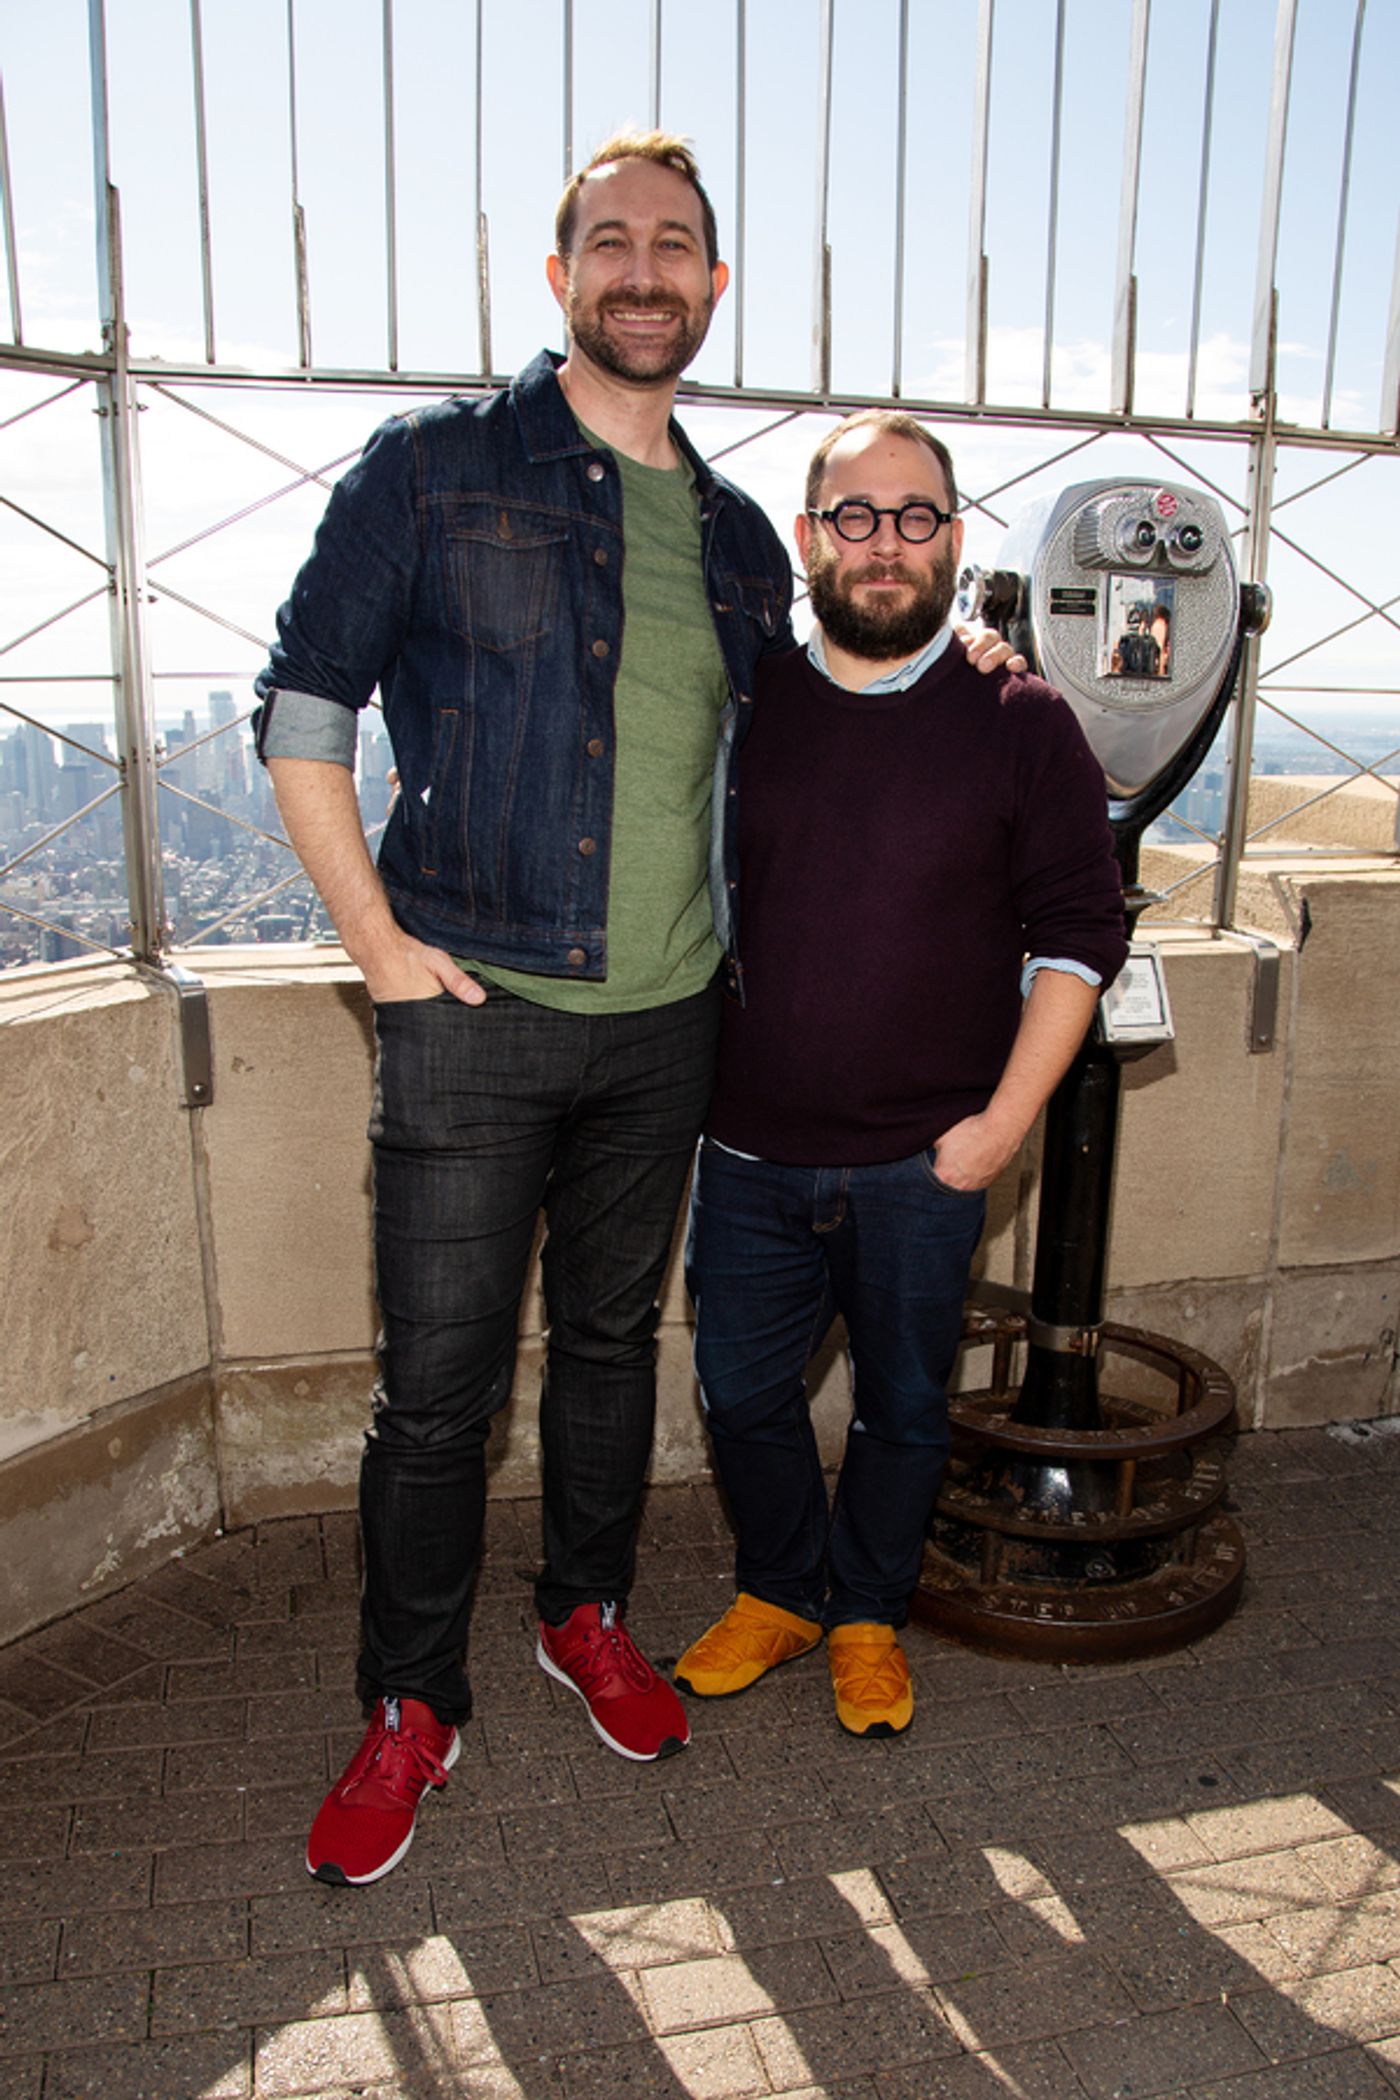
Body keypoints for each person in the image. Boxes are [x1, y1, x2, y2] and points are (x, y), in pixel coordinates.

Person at [256, 136, 1016, 1887]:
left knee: (610, 1351)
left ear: (714, 288)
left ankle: (585, 1616)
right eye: (613, 242)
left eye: (678, 245)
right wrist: (377, 948)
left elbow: (850, 683)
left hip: (674, 1025)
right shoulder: (435, 472)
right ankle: (408, 1703)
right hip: (469, 1005)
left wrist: (980, 656)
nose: (646, 270)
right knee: (438, 1392)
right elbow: (301, 707)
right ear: (560, 279)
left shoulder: (746, 538)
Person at [675, 411, 1128, 1740]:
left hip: (928, 1165)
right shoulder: (747, 702)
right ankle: (778, 1590)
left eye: (916, 515)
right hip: (747, 1152)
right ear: (813, 538)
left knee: (904, 1405)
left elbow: (1081, 937)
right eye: (856, 516)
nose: (887, 543)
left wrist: (999, 1128)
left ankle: (867, 1611)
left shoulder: (1020, 720)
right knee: (742, 1394)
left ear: (956, 538)